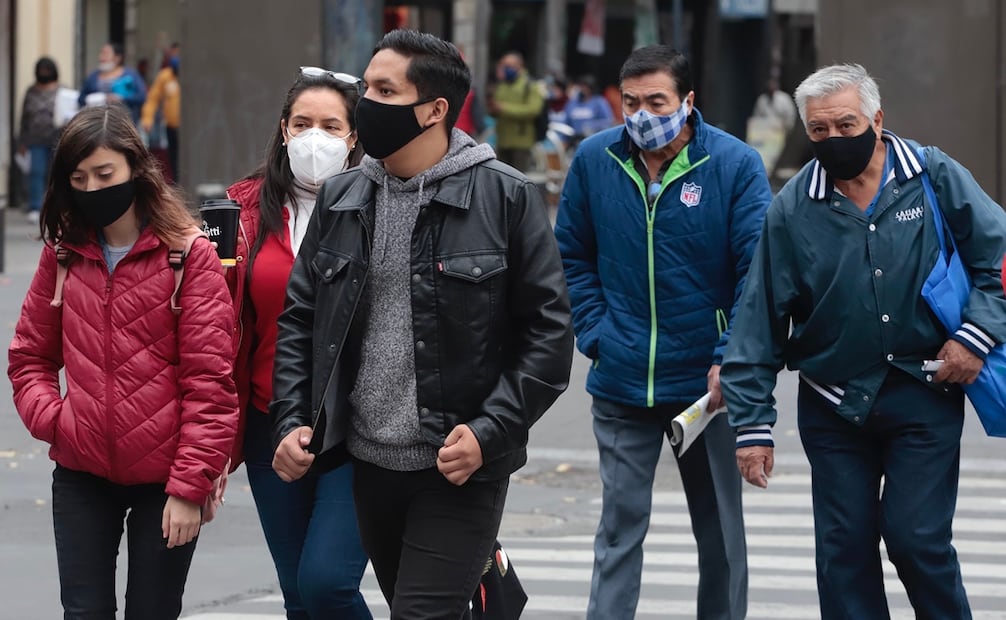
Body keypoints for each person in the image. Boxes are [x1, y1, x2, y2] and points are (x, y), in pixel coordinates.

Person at [269, 29, 574, 618]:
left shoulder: (505, 197)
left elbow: (549, 335)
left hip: (458, 465)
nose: (366, 104)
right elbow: (301, 321)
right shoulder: (343, 197)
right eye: (367, 87)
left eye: (385, 90)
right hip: (368, 463)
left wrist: (489, 432)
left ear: (435, 109)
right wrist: (289, 418)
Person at [720, 63, 1006, 619]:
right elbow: (757, 318)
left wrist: (975, 338)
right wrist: (753, 427)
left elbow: (997, 259)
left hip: (925, 390)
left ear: (877, 118)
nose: (833, 139)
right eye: (819, 130)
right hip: (834, 405)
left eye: (846, 124)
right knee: (843, 550)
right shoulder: (793, 208)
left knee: (916, 538)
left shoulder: (932, 174)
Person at [554, 45, 772, 620]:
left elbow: (758, 272)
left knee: (720, 535)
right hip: (622, 380)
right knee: (618, 532)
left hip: (707, 387)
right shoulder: (596, 159)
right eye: (631, 102)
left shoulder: (734, 164)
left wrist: (731, 357)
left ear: (688, 101)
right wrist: (597, 333)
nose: (643, 113)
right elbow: (571, 255)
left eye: (657, 101)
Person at [7, 104, 239, 619]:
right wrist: (56, 421)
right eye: (79, 177)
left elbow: (211, 384)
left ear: (137, 167)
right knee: (83, 612)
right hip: (82, 472)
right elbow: (29, 358)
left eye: (105, 174)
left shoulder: (188, 256)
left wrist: (188, 487)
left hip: (166, 478)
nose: (92, 188)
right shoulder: (65, 253)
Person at [225, 66, 370, 620]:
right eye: (303, 123)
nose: (316, 137)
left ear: (353, 136)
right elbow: (217, 326)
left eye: (331, 126)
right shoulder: (243, 213)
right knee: (298, 598)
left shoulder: (376, 205)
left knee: (327, 585)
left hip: (355, 429)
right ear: (283, 130)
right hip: (270, 425)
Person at [18, 57, 62, 224]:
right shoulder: (31, 91)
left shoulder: (62, 90)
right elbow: (24, 117)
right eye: (41, 69)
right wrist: (22, 141)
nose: (44, 73)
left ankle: (56, 206)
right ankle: (35, 206)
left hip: (57, 138)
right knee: (36, 173)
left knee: (55, 173)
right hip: (34, 139)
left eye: (47, 70)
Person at [488, 51, 544, 173]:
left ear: (519, 66)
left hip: (521, 142)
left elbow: (533, 110)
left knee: (518, 180)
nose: (505, 69)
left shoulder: (531, 85)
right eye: (503, 65)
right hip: (502, 140)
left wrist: (504, 108)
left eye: (508, 66)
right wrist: (493, 109)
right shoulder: (502, 84)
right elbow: (495, 109)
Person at [79, 43, 147, 125]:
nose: (101, 57)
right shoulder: (93, 77)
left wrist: (121, 98)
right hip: (96, 125)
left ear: (117, 58)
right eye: (101, 53)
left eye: (106, 54)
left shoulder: (130, 75)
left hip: (124, 123)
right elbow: (81, 99)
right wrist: (98, 98)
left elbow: (141, 96)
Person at [141, 43, 181, 183]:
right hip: (172, 127)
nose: (177, 58)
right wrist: (148, 119)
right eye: (174, 54)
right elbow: (152, 99)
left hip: (192, 130)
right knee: (174, 159)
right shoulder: (165, 76)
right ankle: (178, 186)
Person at [560, 74, 614, 139]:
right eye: (581, 86)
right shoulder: (572, 103)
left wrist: (591, 125)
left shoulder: (599, 102)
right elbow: (566, 122)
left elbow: (609, 121)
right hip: (575, 139)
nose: (583, 89)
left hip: (594, 138)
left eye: (585, 87)